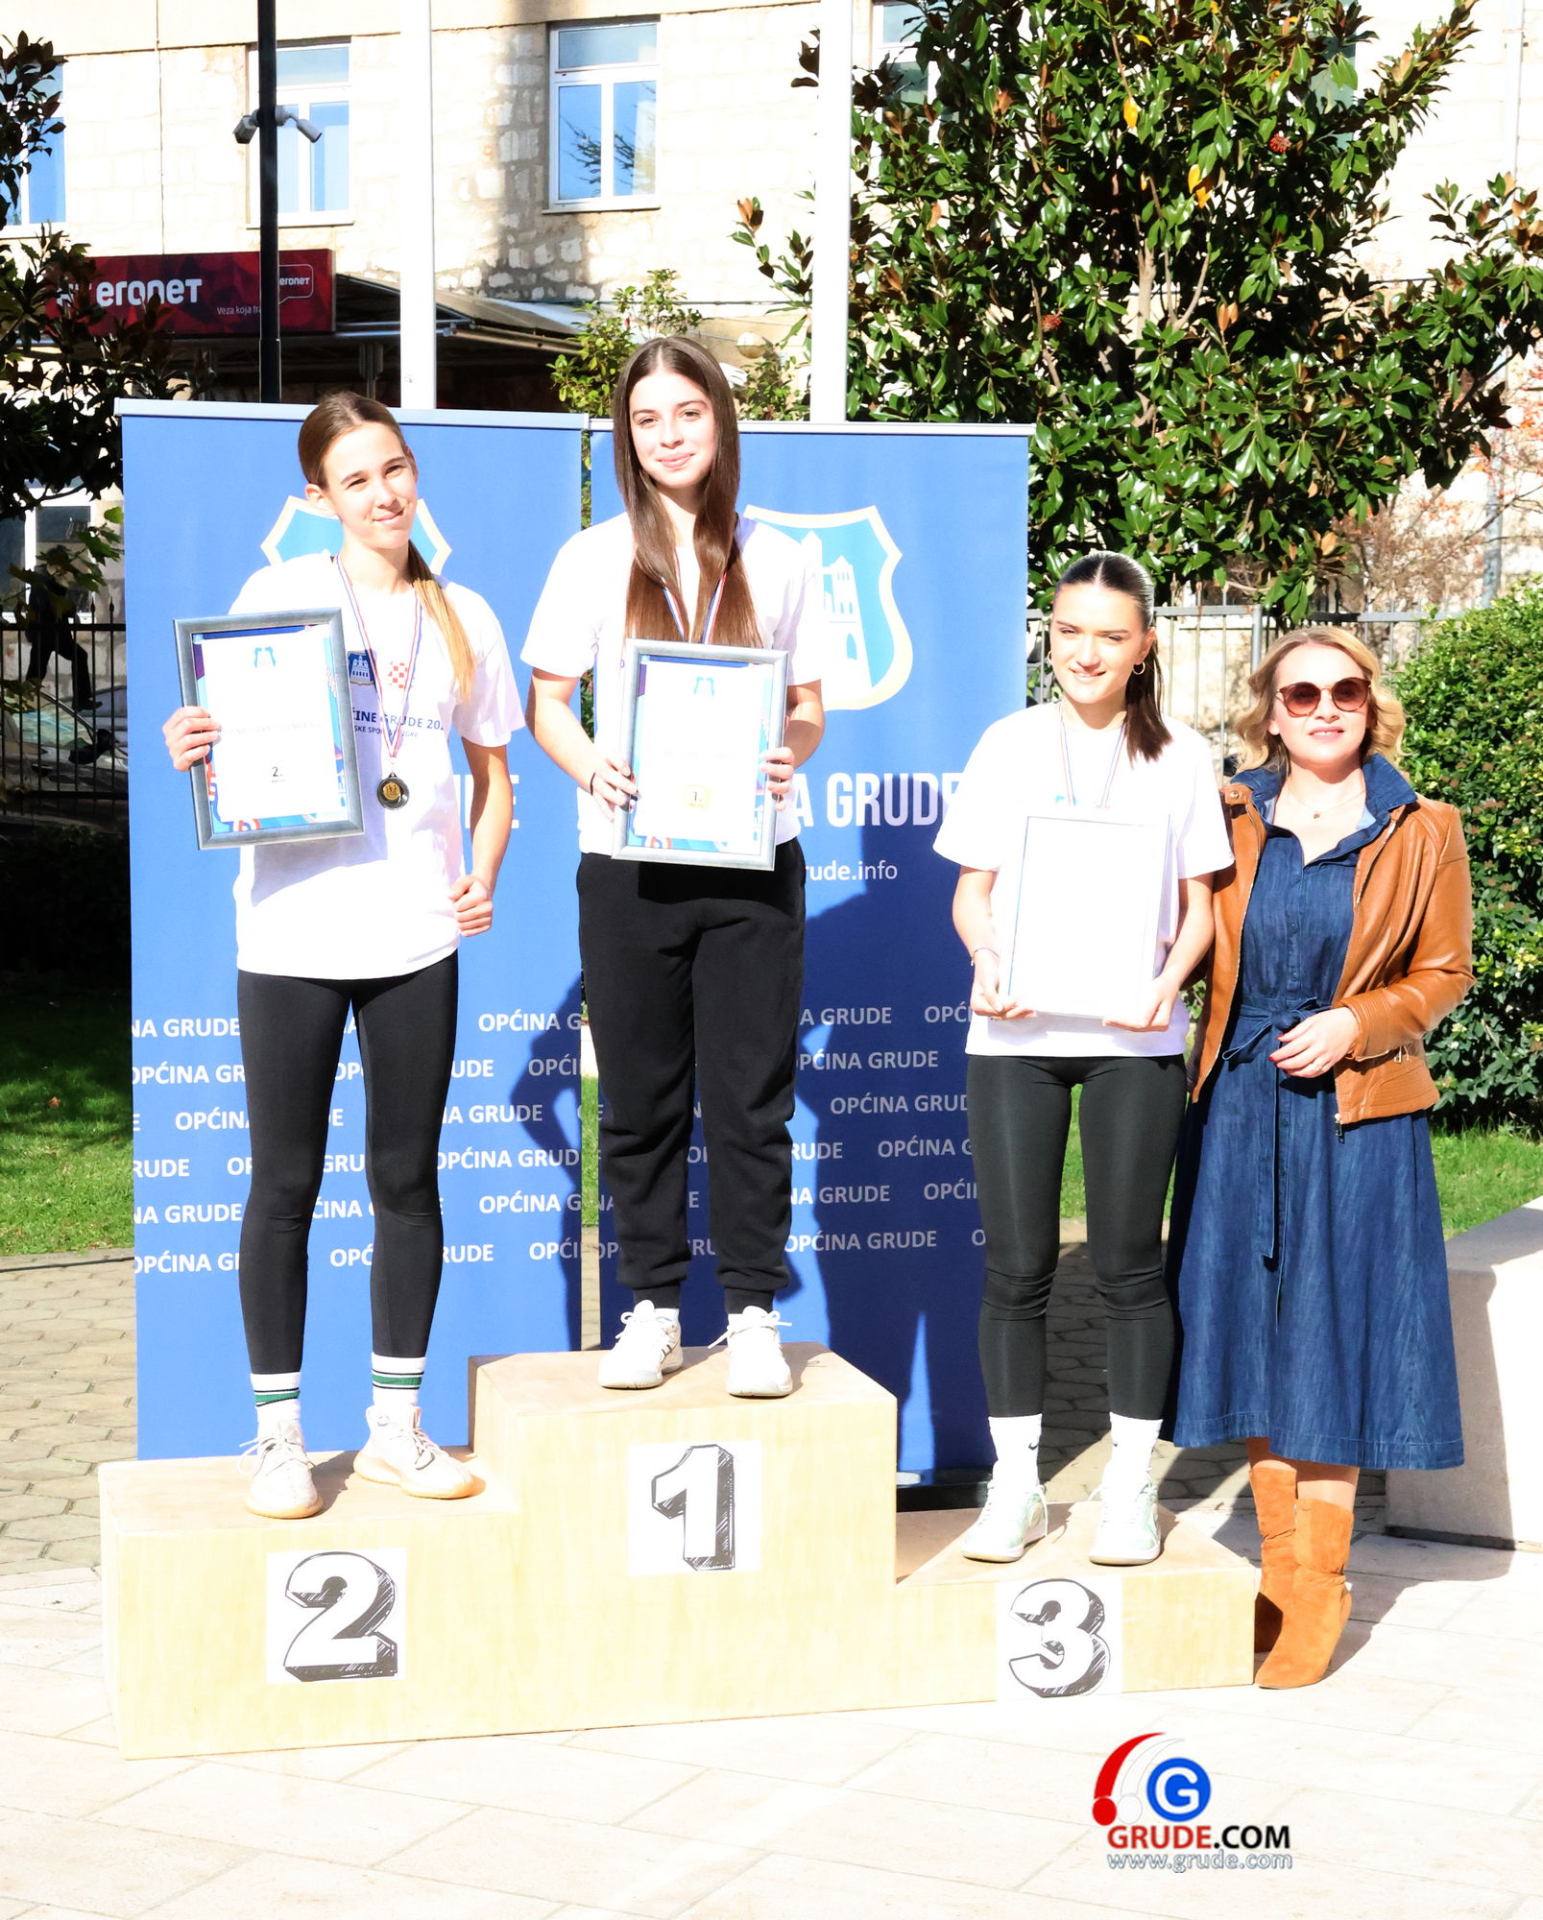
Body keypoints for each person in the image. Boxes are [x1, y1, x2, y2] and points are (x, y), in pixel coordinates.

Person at [161, 392, 519, 1520]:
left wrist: (482, 871)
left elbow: (496, 778)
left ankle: (394, 1429)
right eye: (357, 479)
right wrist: (191, 742)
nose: (384, 494)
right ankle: (277, 1438)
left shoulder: (464, 616)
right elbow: (219, 739)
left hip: (415, 937)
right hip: (292, 934)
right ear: (318, 498)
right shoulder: (278, 596)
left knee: (407, 1183)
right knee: (285, 1184)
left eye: (395, 468)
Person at [1168, 628, 1472, 1687]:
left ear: (1370, 703)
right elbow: (1179, 930)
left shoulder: (1422, 828)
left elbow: (1445, 971)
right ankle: (1276, 1568)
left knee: (1330, 1334)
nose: (1324, 707)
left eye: (1345, 689)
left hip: (1356, 1111)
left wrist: (1359, 1022)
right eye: (1301, 694)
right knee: (1253, 1330)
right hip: (1240, 1103)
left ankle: (1321, 1585)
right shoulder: (1227, 812)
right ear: (1270, 709)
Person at [523, 335, 825, 1397]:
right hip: (628, 867)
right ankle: (650, 1307)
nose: (668, 435)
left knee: (751, 1104)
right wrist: (591, 764)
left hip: (753, 861)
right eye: (647, 419)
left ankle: (750, 1314)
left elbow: (808, 704)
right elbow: (546, 703)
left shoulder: (779, 558)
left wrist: (791, 751)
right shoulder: (590, 557)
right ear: (626, 436)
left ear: (719, 422)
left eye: (687, 412)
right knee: (642, 1102)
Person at [934, 552, 1230, 1566]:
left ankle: (1128, 1489)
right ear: (1048, 637)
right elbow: (969, 893)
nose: (1086, 653)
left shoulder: (1180, 755)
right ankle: (1015, 1486)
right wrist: (985, 960)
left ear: (1144, 646)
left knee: (1127, 1268)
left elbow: (1199, 909)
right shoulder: (1007, 744)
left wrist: (1167, 983)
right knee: (1015, 1268)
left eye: (1109, 635)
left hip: (1131, 1041)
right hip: (1012, 1037)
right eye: (1069, 632)